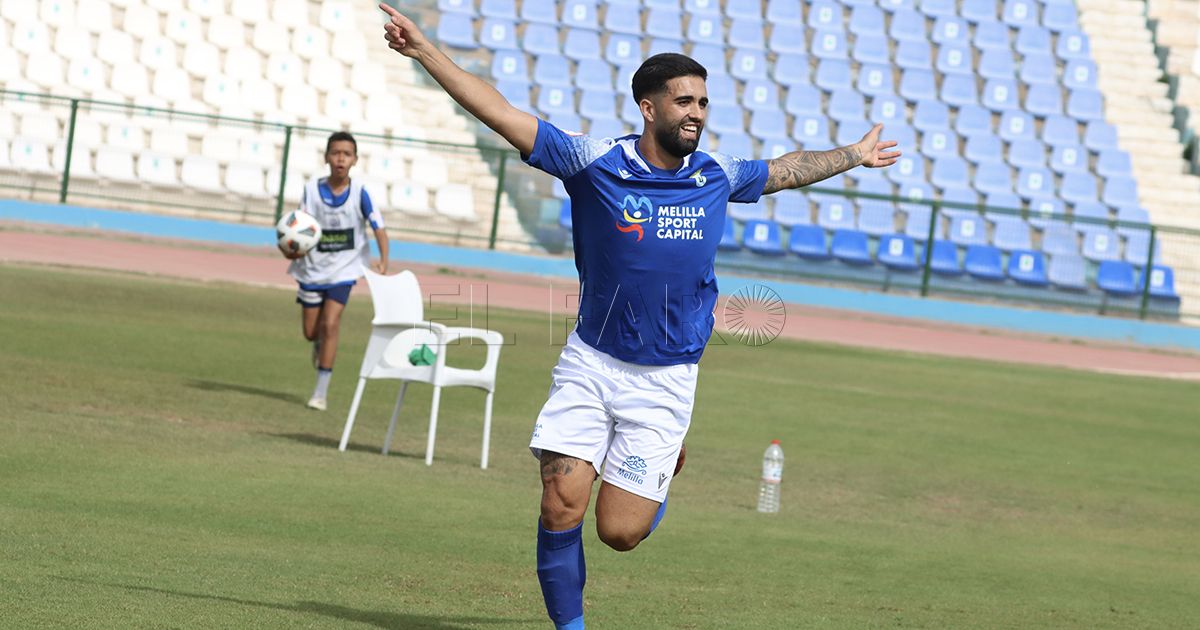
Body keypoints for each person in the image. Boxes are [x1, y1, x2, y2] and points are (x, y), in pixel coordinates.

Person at [379, 5, 899, 628]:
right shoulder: (593, 163)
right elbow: (501, 114)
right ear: (649, 108)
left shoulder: (717, 174)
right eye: (684, 101)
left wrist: (853, 154)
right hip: (592, 363)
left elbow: (787, 169)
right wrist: (425, 51)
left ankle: (662, 466)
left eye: (703, 102)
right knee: (559, 505)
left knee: (619, 533)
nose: (697, 114)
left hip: (666, 380)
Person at [280, 131, 390, 412]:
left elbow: (379, 228)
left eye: (347, 154)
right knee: (310, 331)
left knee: (331, 324)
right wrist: (292, 248)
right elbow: (298, 226)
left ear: (354, 160)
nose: (341, 158)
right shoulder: (312, 190)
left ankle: (320, 393)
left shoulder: (360, 192)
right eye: (336, 153)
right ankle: (317, 345)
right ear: (327, 157)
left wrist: (383, 260)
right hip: (312, 270)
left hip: (345, 269)